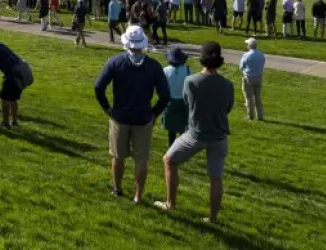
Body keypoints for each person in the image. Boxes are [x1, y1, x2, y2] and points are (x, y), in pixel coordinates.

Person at [155, 41, 234, 224]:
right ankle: (213, 218)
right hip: (219, 136)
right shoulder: (227, 84)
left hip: (195, 134)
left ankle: (170, 204)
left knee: (169, 160)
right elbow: (228, 108)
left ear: (202, 59)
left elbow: (187, 103)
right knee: (216, 178)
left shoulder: (191, 81)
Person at [93, 25, 170, 203]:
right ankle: (138, 196)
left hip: (119, 117)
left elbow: (98, 87)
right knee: (141, 160)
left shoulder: (115, 62)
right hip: (143, 118)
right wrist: (154, 114)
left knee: (118, 157)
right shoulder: (153, 66)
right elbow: (165, 96)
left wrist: (107, 108)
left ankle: (117, 189)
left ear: (126, 43)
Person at [0, 41, 31, 129]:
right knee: (13, 99)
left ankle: (5, 123)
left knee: (5, 99)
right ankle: (14, 122)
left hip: (13, 75)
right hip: (21, 73)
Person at [160, 47, 190, 146]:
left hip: (170, 102)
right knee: (183, 127)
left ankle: (171, 146)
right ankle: (181, 148)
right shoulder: (188, 70)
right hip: (183, 102)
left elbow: (162, 86)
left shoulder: (165, 70)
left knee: (171, 129)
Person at [239, 37, 265, 120]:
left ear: (249, 46)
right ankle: (260, 115)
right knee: (258, 97)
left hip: (249, 77)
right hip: (259, 77)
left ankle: (250, 115)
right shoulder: (261, 54)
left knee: (249, 98)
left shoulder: (246, 55)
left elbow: (241, 67)